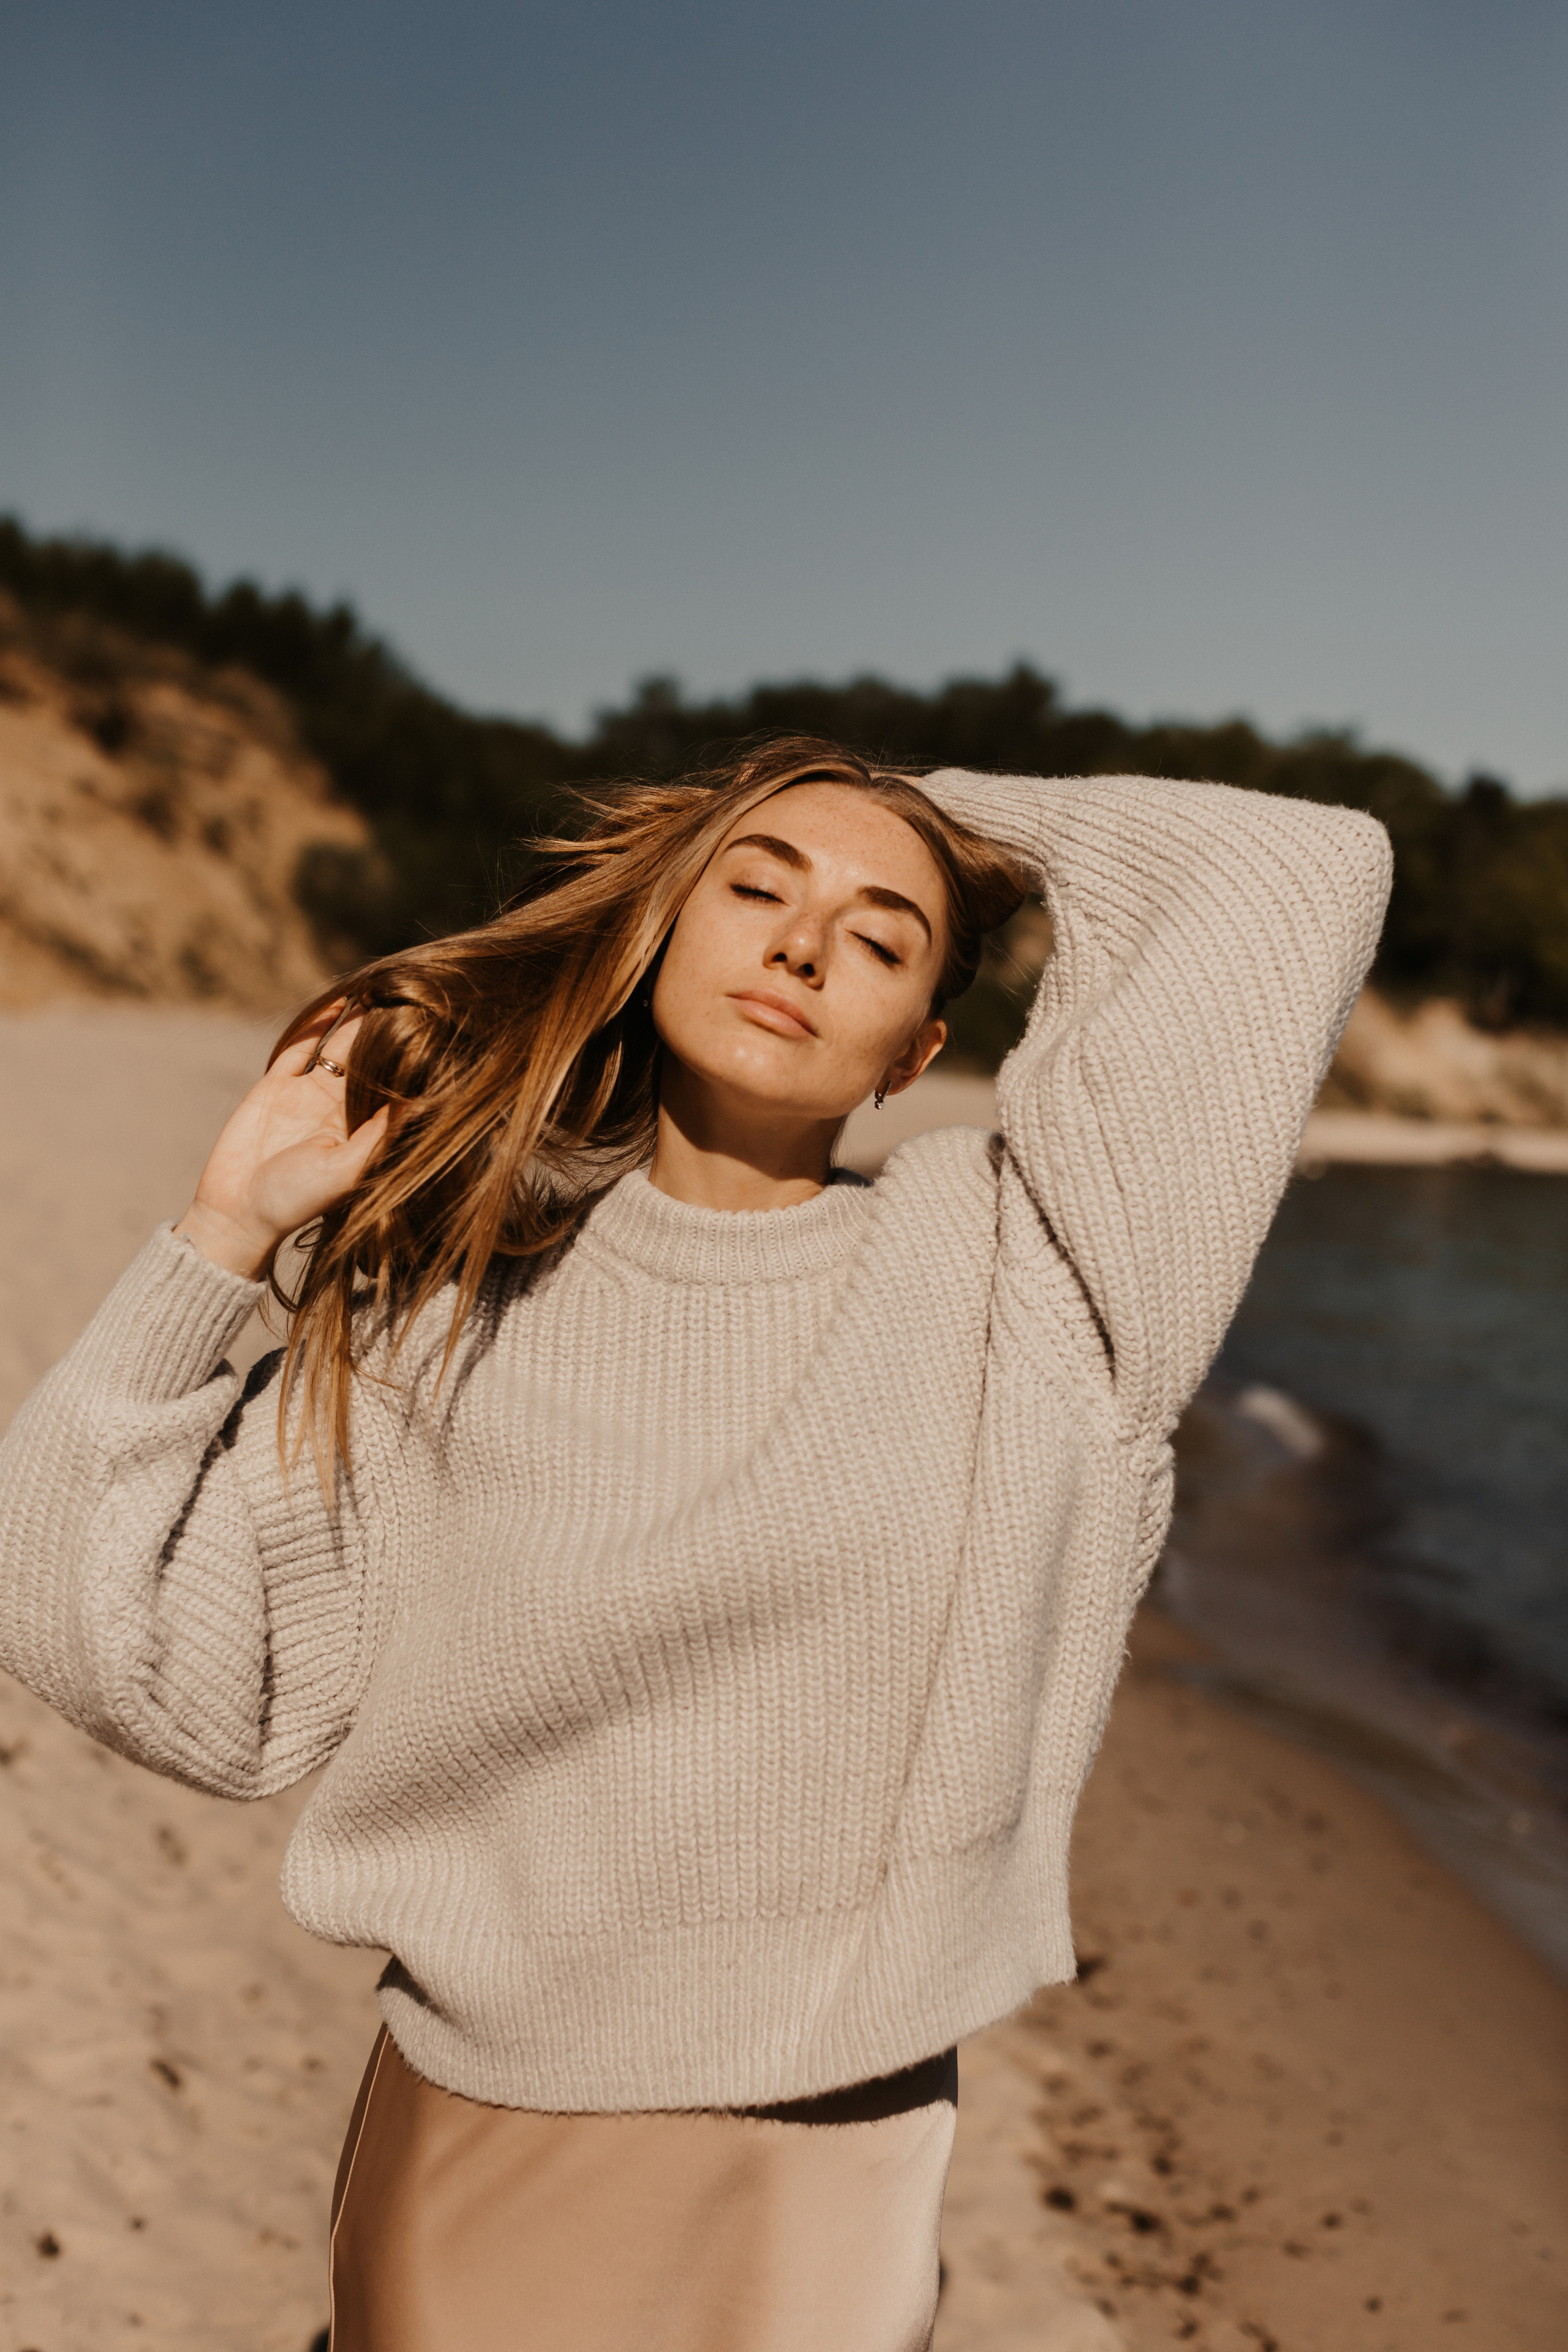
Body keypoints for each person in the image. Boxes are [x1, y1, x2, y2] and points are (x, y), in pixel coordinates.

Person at [0, 736, 1390, 2350]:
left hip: (826, 2169)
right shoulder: (456, 1314)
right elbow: (86, 1616)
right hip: (481, 2138)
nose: (804, 945)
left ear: (913, 1051)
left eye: (878, 938)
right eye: (752, 890)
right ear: (657, 931)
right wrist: (225, 1233)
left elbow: (1305, 869)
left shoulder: (1030, 1283)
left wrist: (917, 802)